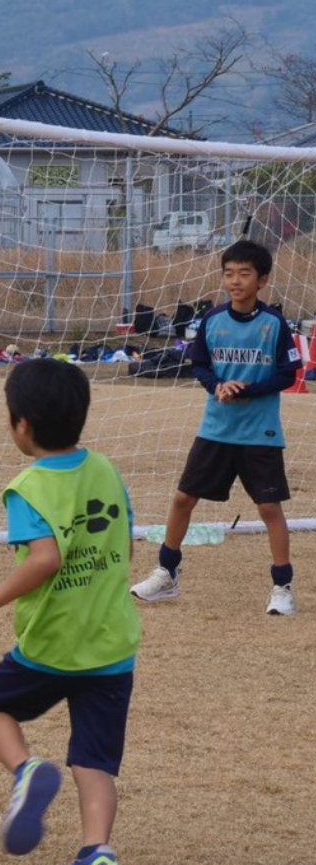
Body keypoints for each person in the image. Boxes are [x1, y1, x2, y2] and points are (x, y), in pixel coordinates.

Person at [0, 358, 140, 865]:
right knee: (95, 758)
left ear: (22, 426)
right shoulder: (107, 469)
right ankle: (96, 854)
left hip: (52, 643)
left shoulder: (28, 487)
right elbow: (126, 540)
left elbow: (46, 559)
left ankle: (27, 769)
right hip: (111, 643)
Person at [131, 239, 298, 616]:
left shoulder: (274, 325)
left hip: (259, 433)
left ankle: (282, 586)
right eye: (229, 273)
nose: (235, 281)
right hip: (216, 429)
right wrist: (217, 386)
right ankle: (167, 573)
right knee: (182, 499)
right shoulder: (212, 321)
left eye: (245, 274)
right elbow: (200, 365)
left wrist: (249, 390)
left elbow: (290, 373)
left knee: (269, 508)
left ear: (262, 280)